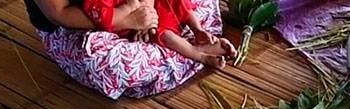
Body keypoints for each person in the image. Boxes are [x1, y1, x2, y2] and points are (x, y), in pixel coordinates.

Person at [23, 0, 227, 98]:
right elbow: (59, 15)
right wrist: (126, 18)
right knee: (109, 64)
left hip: (133, 7)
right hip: (77, 27)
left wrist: (145, 9)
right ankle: (193, 52)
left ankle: (195, 34)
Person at [82, 0, 236, 68]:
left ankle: (198, 31)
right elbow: (104, 17)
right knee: (164, 34)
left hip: (152, 9)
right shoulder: (94, 2)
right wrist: (130, 8)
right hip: (133, 24)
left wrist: (147, 6)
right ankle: (198, 54)